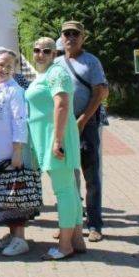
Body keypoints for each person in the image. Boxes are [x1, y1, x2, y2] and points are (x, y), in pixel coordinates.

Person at [27, 37, 86, 260]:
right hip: (49, 139)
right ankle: (77, 239)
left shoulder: (57, 73)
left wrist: (58, 140)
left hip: (56, 140)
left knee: (64, 191)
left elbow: (61, 104)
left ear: (54, 54)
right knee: (69, 189)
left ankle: (64, 246)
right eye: (36, 50)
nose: (40, 54)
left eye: (46, 50)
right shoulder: (44, 75)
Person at [0, 48, 34, 257]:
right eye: (1, 64)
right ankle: (12, 235)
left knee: (14, 195)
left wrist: (17, 151)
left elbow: (20, 121)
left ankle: (20, 239)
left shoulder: (14, 90)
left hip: (8, 153)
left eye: (10, 66)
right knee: (2, 197)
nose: (5, 69)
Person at [58, 20, 109, 242]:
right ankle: (70, 224)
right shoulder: (57, 63)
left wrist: (83, 119)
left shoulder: (91, 62)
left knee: (91, 176)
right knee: (67, 178)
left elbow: (99, 93)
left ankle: (95, 224)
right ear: (61, 37)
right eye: (66, 33)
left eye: (75, 34)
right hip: (64, 125)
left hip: (85, 124)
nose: (70, 37)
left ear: (83, 37)